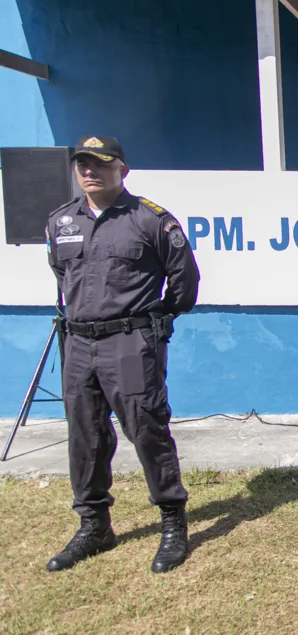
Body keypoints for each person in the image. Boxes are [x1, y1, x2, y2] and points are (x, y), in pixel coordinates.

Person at [43, 135, 200, 574]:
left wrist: (156, 320)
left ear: (122, 170)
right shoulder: (60, 222)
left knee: (147, 429)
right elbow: (61, 275)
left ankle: (172, 522)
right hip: (78, 344)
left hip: (130, 343)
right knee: (85, 437)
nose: (89, 171)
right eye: (82, 164)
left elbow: (184, 282)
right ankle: (94, 526)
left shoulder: (150, 219)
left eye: (100, 163)